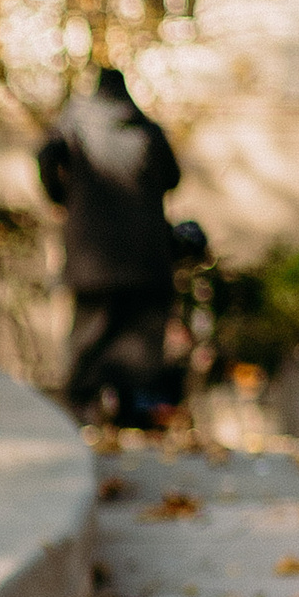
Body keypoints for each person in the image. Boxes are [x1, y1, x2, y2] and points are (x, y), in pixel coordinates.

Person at [37, 67, 183, 426]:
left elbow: (44, 156)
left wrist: (61, 196)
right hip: (144, 255)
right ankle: (132, 413)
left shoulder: (73, 124)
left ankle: (81, 410)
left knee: (89, 334)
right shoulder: (147, 129)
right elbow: (173, 178)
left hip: (91, 254)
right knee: (139, 340)